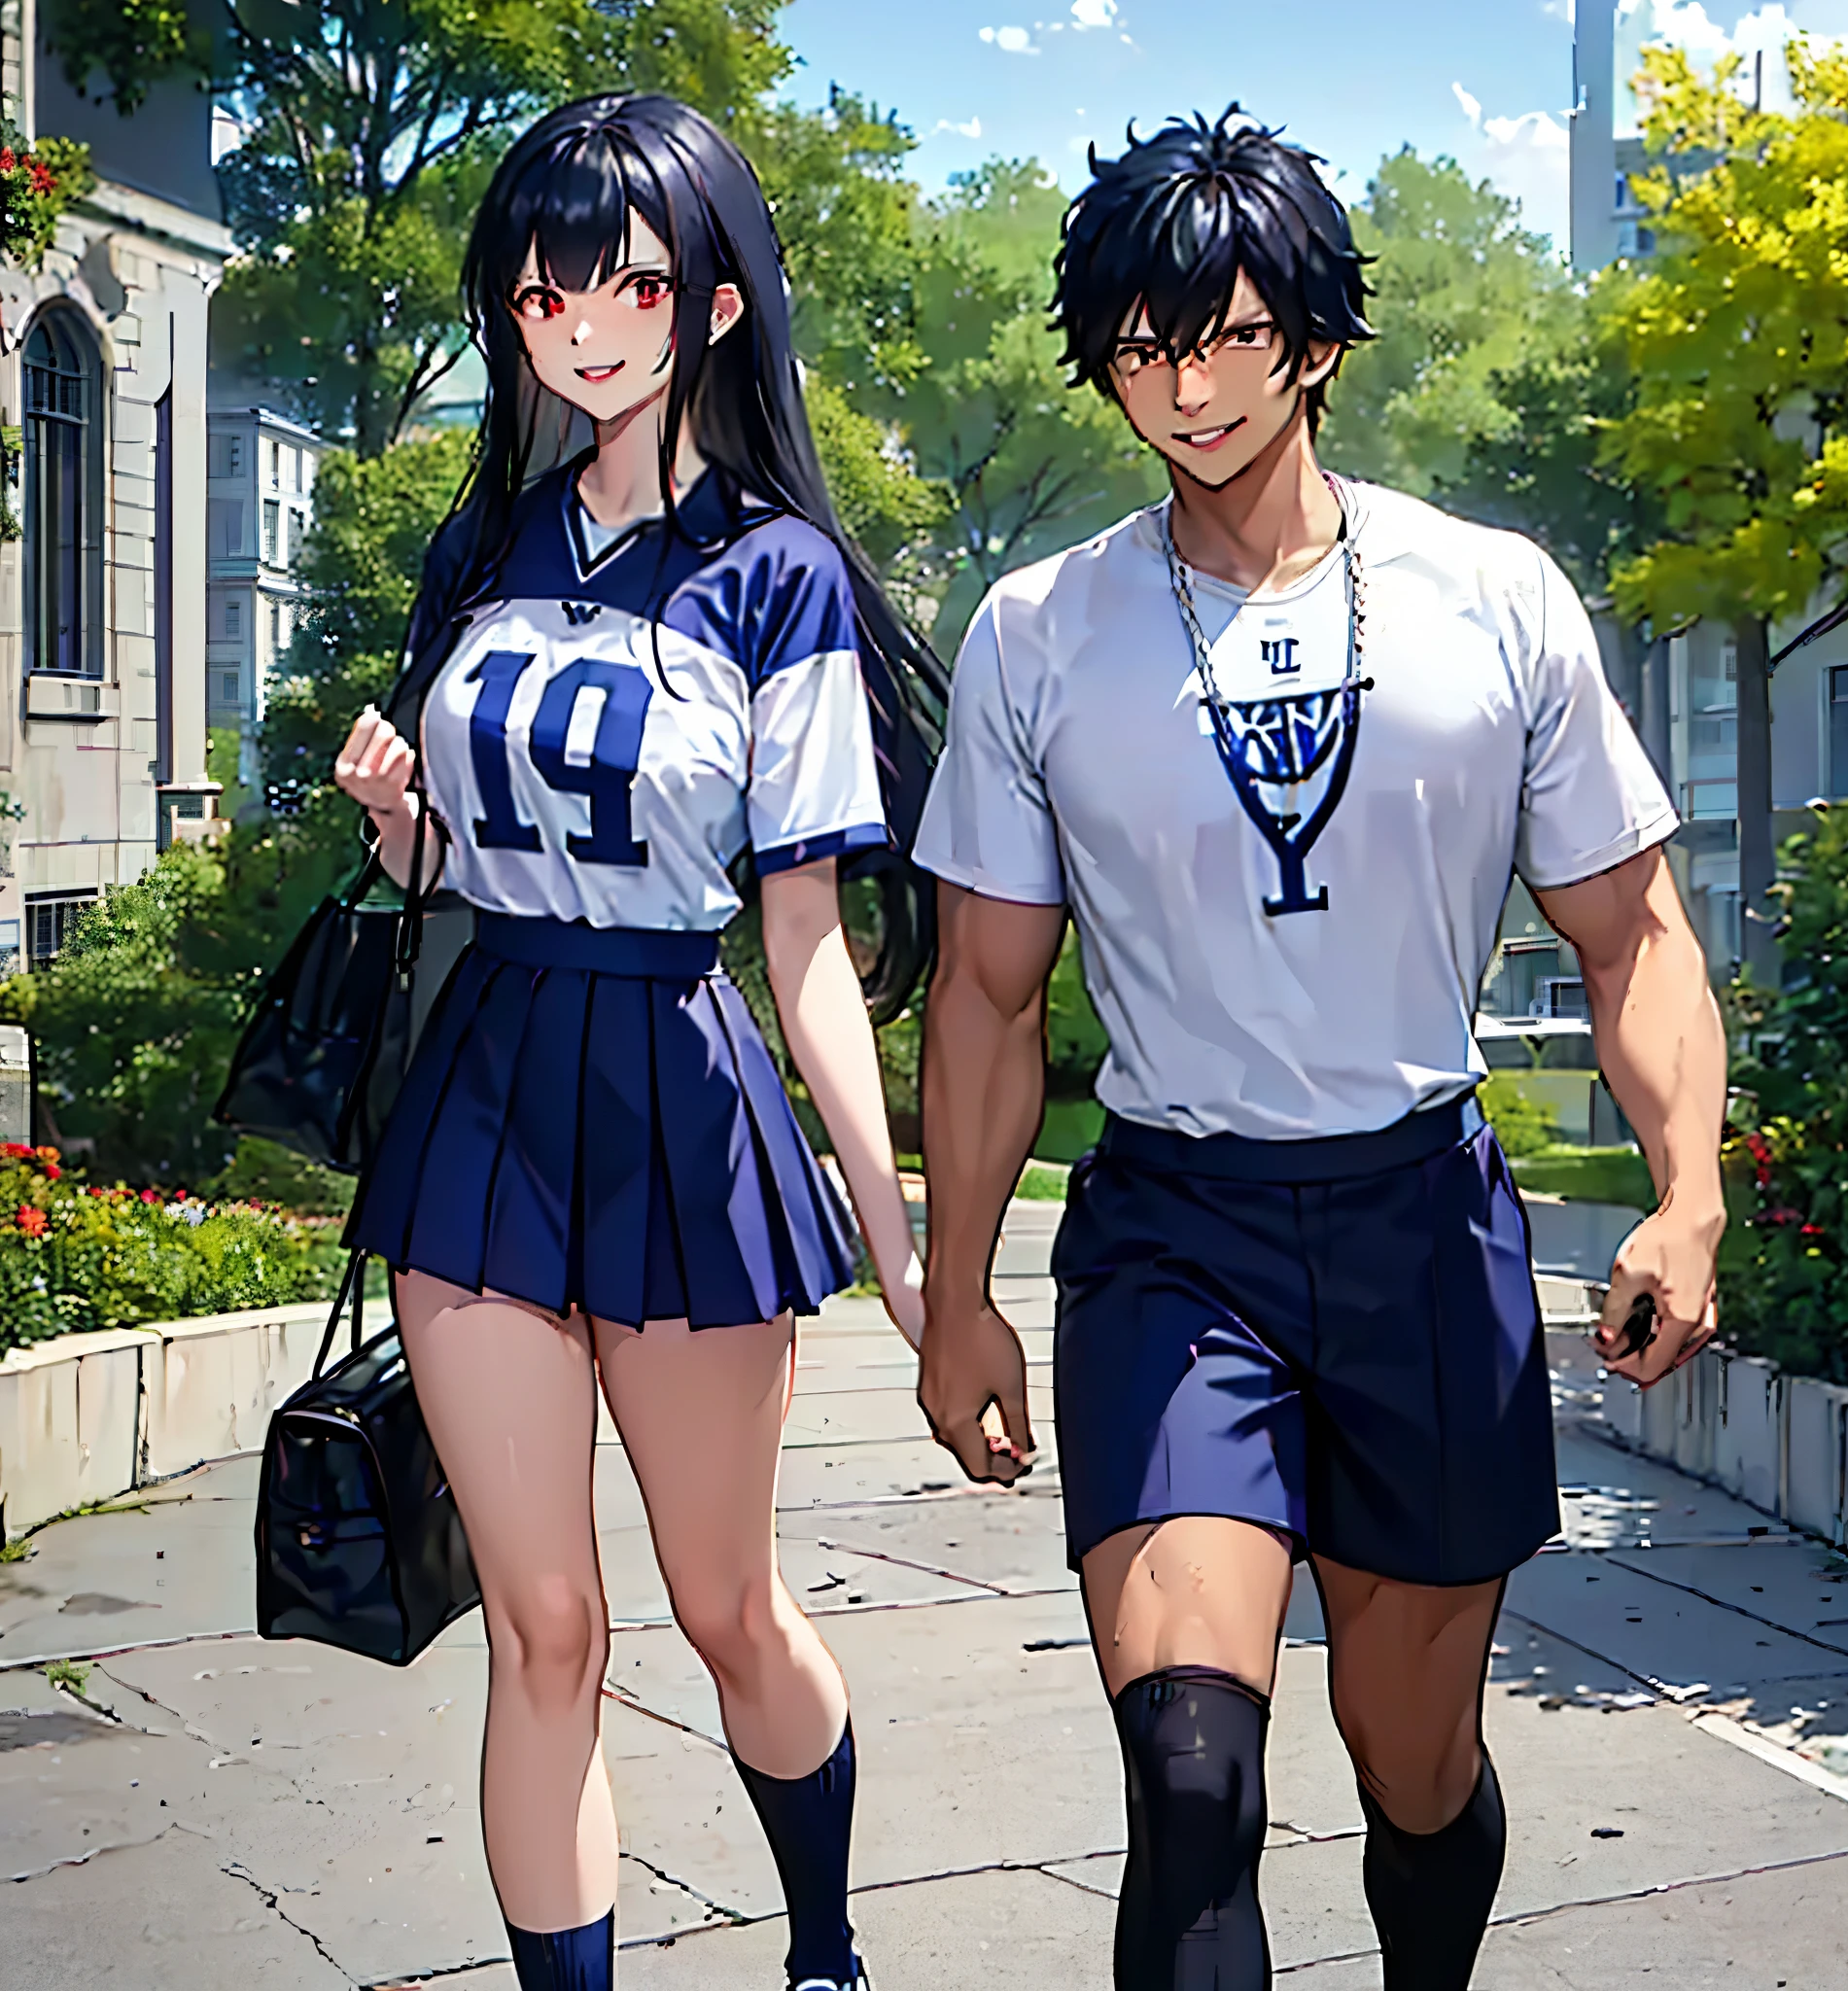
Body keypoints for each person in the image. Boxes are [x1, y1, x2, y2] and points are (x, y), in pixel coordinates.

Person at [912, 109, 1726, 1990]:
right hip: (1176, 1237)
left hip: (1423, 1237)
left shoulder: (1492, 598)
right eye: (1138, 347)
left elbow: (1638, 936)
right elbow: (985, 995)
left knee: (1411, 1767)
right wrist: (954, 1292)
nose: (1183, 387)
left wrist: (1685, 1196)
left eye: (1224, 336)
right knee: (1192, 1778)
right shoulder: (1040, 635)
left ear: (1317, 341)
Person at [331, 94, 932, 1991]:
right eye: (541, 291)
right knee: (547, 1624)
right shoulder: (489, 543)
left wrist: (898, 1230)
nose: (580, 323)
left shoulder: (776, 581)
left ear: (716, 303)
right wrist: (401, 827)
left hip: (678, 1088)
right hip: (487, 1094)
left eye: (626, 282)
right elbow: (462, 867)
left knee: (728, 1604)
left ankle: (822, 1946)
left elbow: (805, 939)